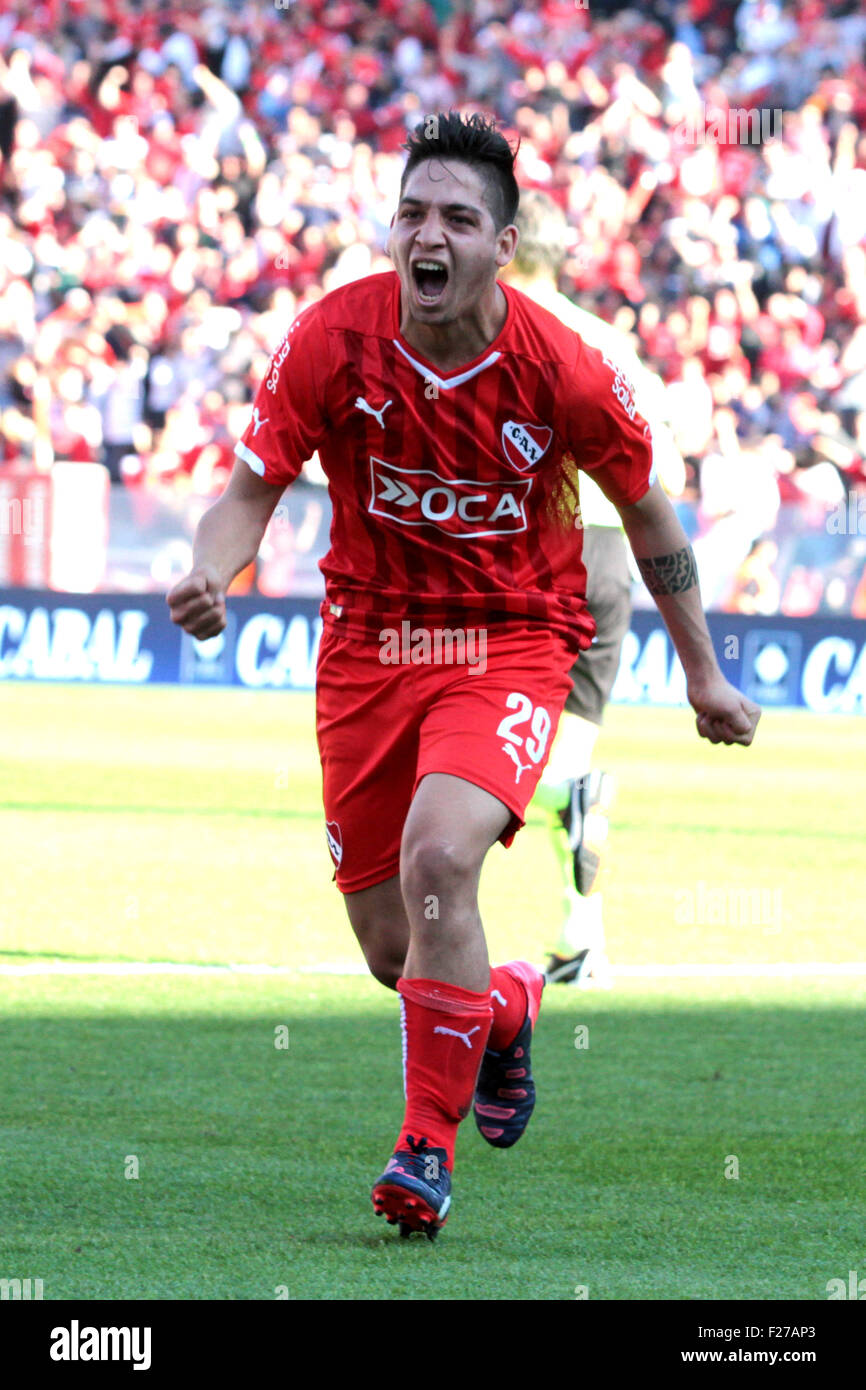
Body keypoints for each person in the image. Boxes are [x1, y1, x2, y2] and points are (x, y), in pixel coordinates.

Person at [167, 112, 760, 1241]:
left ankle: (422, 1153)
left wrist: (702, 673)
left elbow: (649, 516)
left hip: (508, 642)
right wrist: (210, 571)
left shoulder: (568, 369)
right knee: (399, 952)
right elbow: (248, 492)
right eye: (410, 213)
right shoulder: (326, 342)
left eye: (454, 217)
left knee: (441, 855)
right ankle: (503, 1006)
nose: (424, 235)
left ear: (502, 239)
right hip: (365, 653)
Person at [502, 191, 687, 989]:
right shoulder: (609, 340)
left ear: (503, 247)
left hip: (540, 551)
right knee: (562, 752)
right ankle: (585, 936)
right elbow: (669, 471)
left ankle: (433, 938)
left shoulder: (496, 325)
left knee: (463, 726)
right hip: (611, 556)